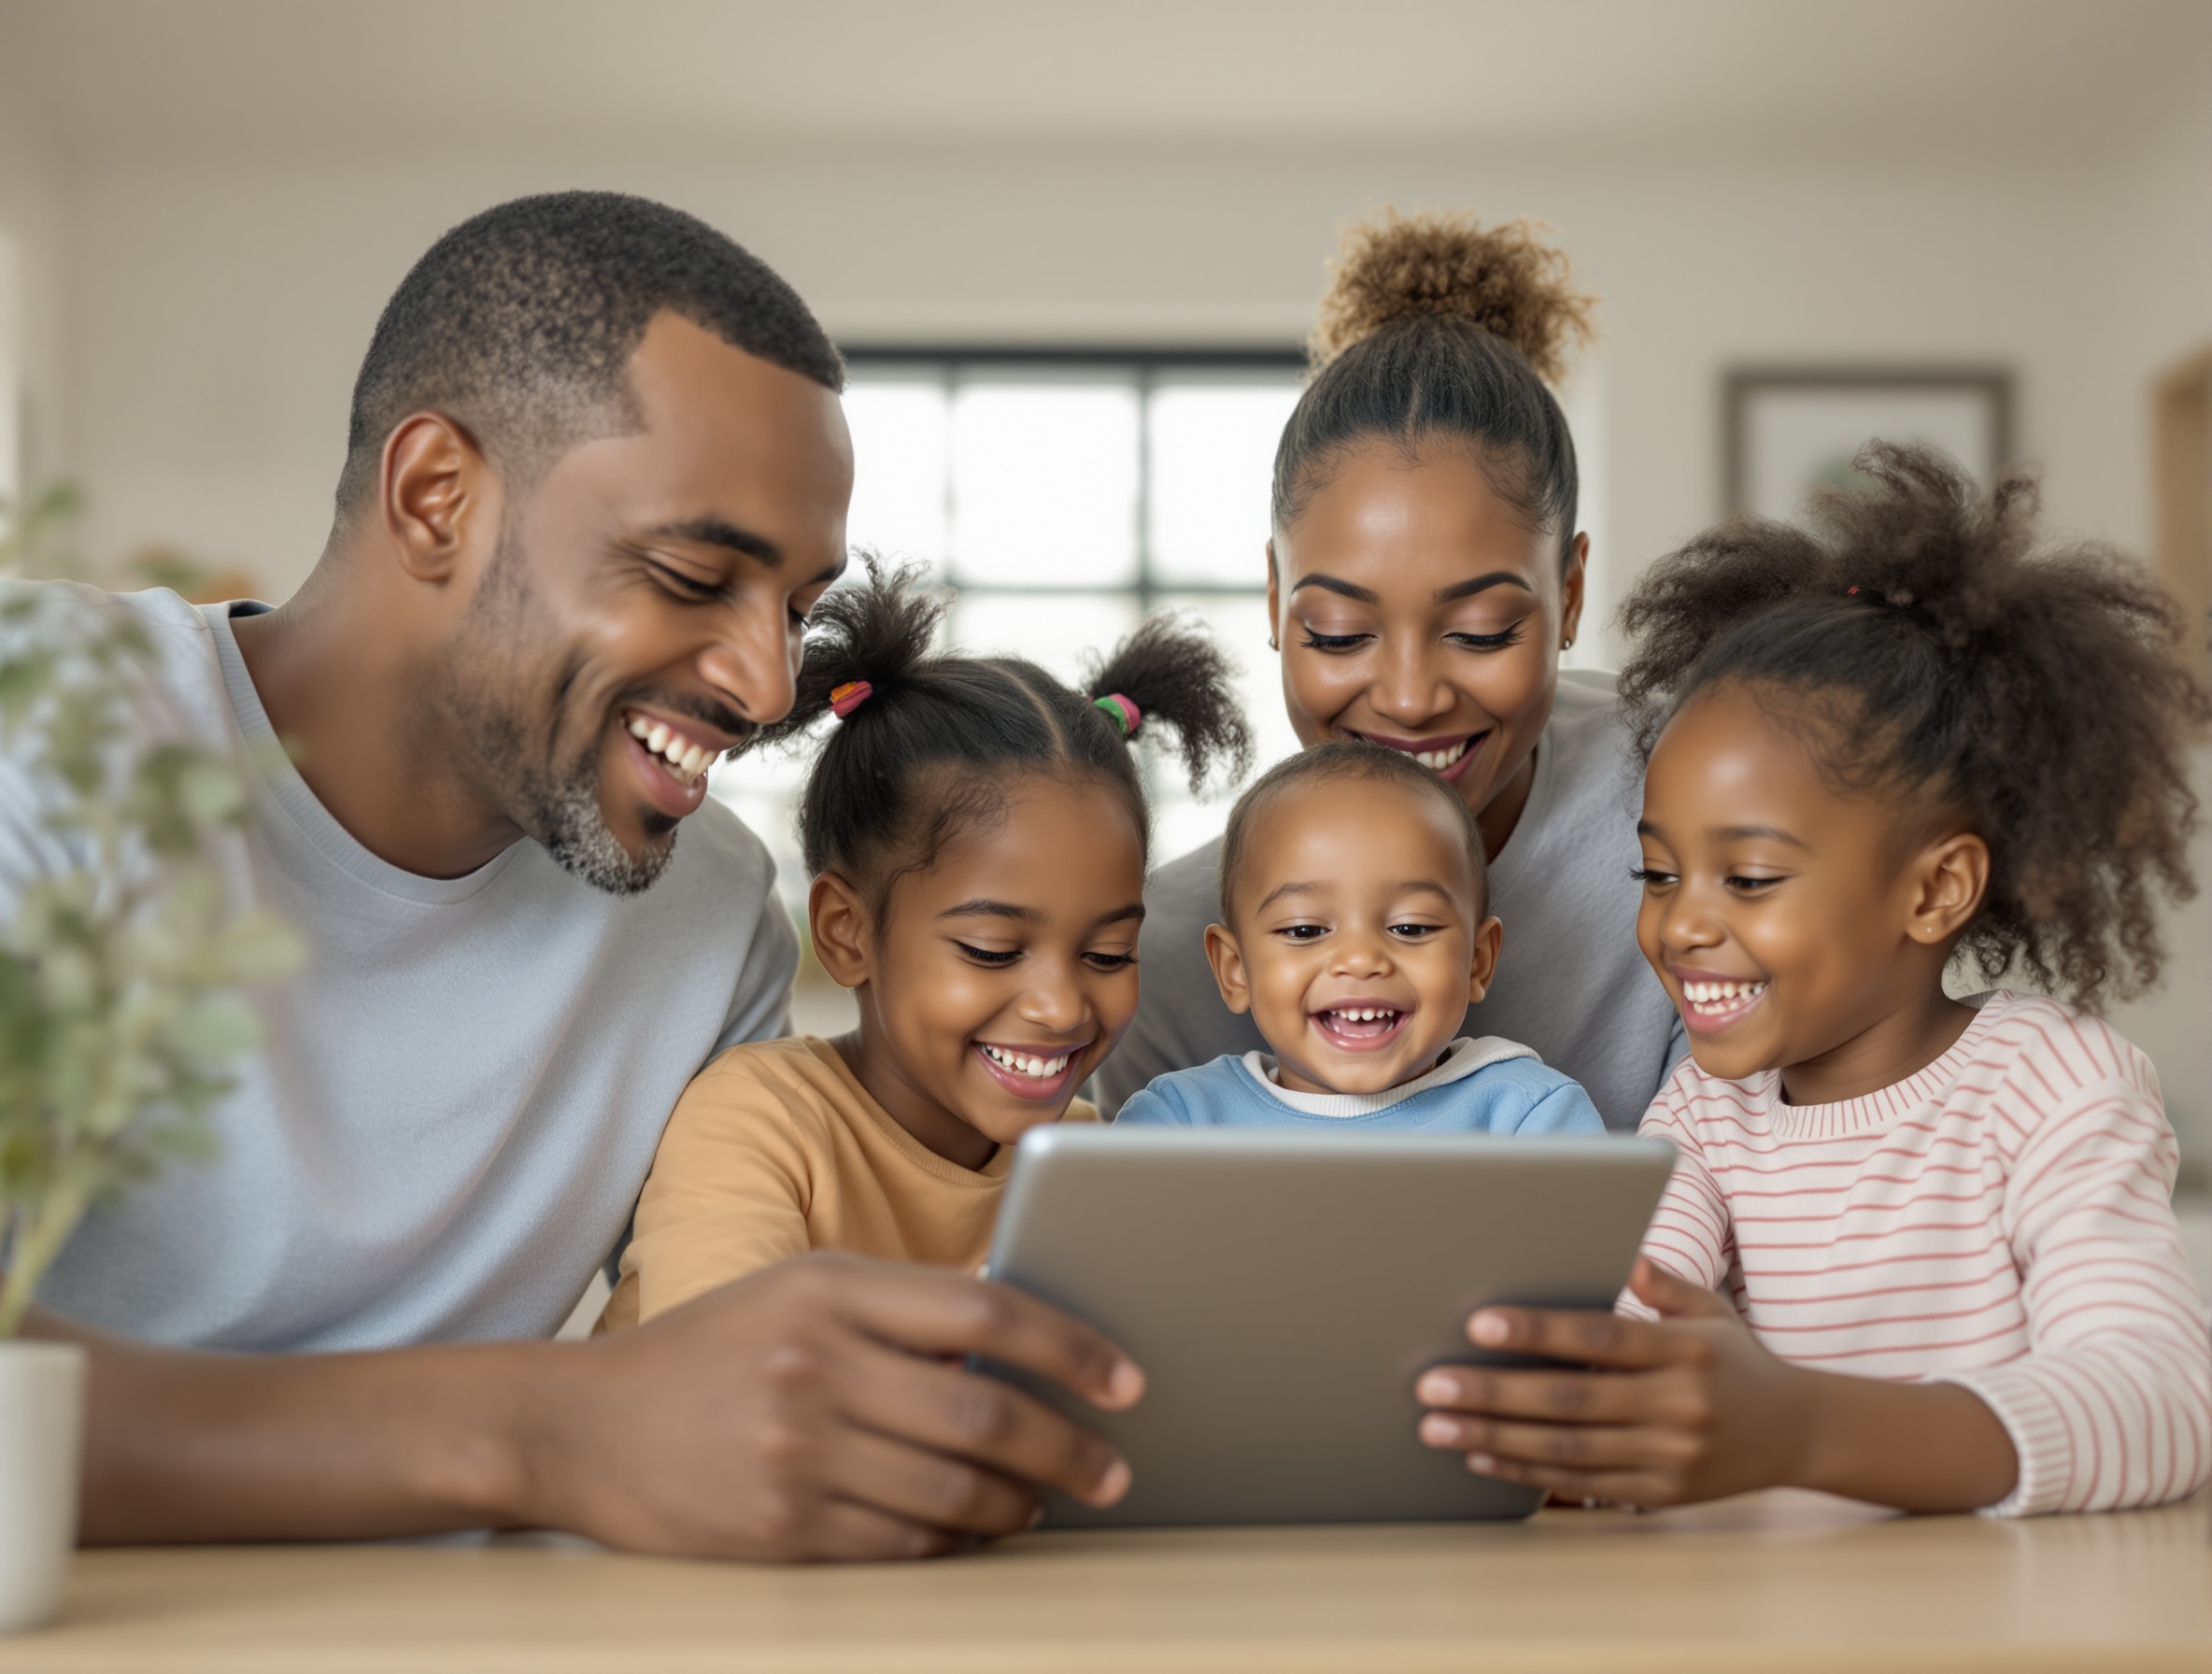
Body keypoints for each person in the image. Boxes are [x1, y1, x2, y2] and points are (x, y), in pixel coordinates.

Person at [7, 192, 1149, 1561]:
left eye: (793, 607)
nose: (767, 683)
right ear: (438, 498)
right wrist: (543, 1431)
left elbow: (704, 1384)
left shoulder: (706, 910)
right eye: (691, 573)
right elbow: (610, 1423)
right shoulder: (45, 730)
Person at [1412, 444, 2212, 1515]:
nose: (1681, 921)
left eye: (1747, 876)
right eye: (1657, 871)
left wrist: (1800, 1424)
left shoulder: (2050, 1088)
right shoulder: (1704, 1111)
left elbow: (2158, 1399)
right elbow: (1634, 1311)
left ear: (1935, 891)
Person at [1100, 211, 1680, 1129]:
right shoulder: (1170, 953)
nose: (1410, 700)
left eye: (1483, 631)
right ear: (1272, 599)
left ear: (1568, 594)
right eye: (1336, 633)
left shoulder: (1693, 795)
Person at [603, 562, 1249, 1324]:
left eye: (1107, 955)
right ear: (848, 933)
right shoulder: (761, 1117)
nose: (1060, 1006)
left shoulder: (1087, 1158)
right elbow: (729, 1378)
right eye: (992, 949)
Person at [1114, 741, 1601, 1133]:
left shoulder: (1530, 1118)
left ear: (1477, 961)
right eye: (1305, 930)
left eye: (1410, 927)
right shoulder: (1178, 1122)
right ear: (1234, 969)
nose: (1361, 960)